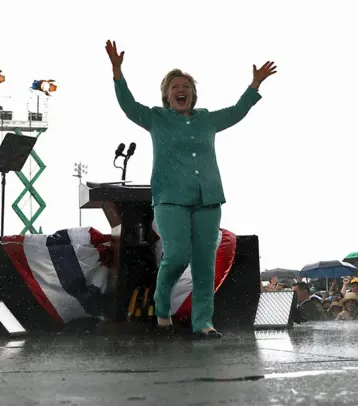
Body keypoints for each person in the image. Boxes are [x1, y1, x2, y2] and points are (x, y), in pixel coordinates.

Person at [105, 40, 276, 338]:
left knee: (204, 265)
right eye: (174, 87)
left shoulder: (207, 119)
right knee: (177, 255)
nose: (180, 90)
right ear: (167, 95)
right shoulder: (156, 118)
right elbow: (128, 106)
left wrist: (254, 85)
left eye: (185, 86)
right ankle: (162, 307)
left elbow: (237, 111)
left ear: (193, 95)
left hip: (208, 198)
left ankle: (203, 323)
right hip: (170, 199)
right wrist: (118, 72)